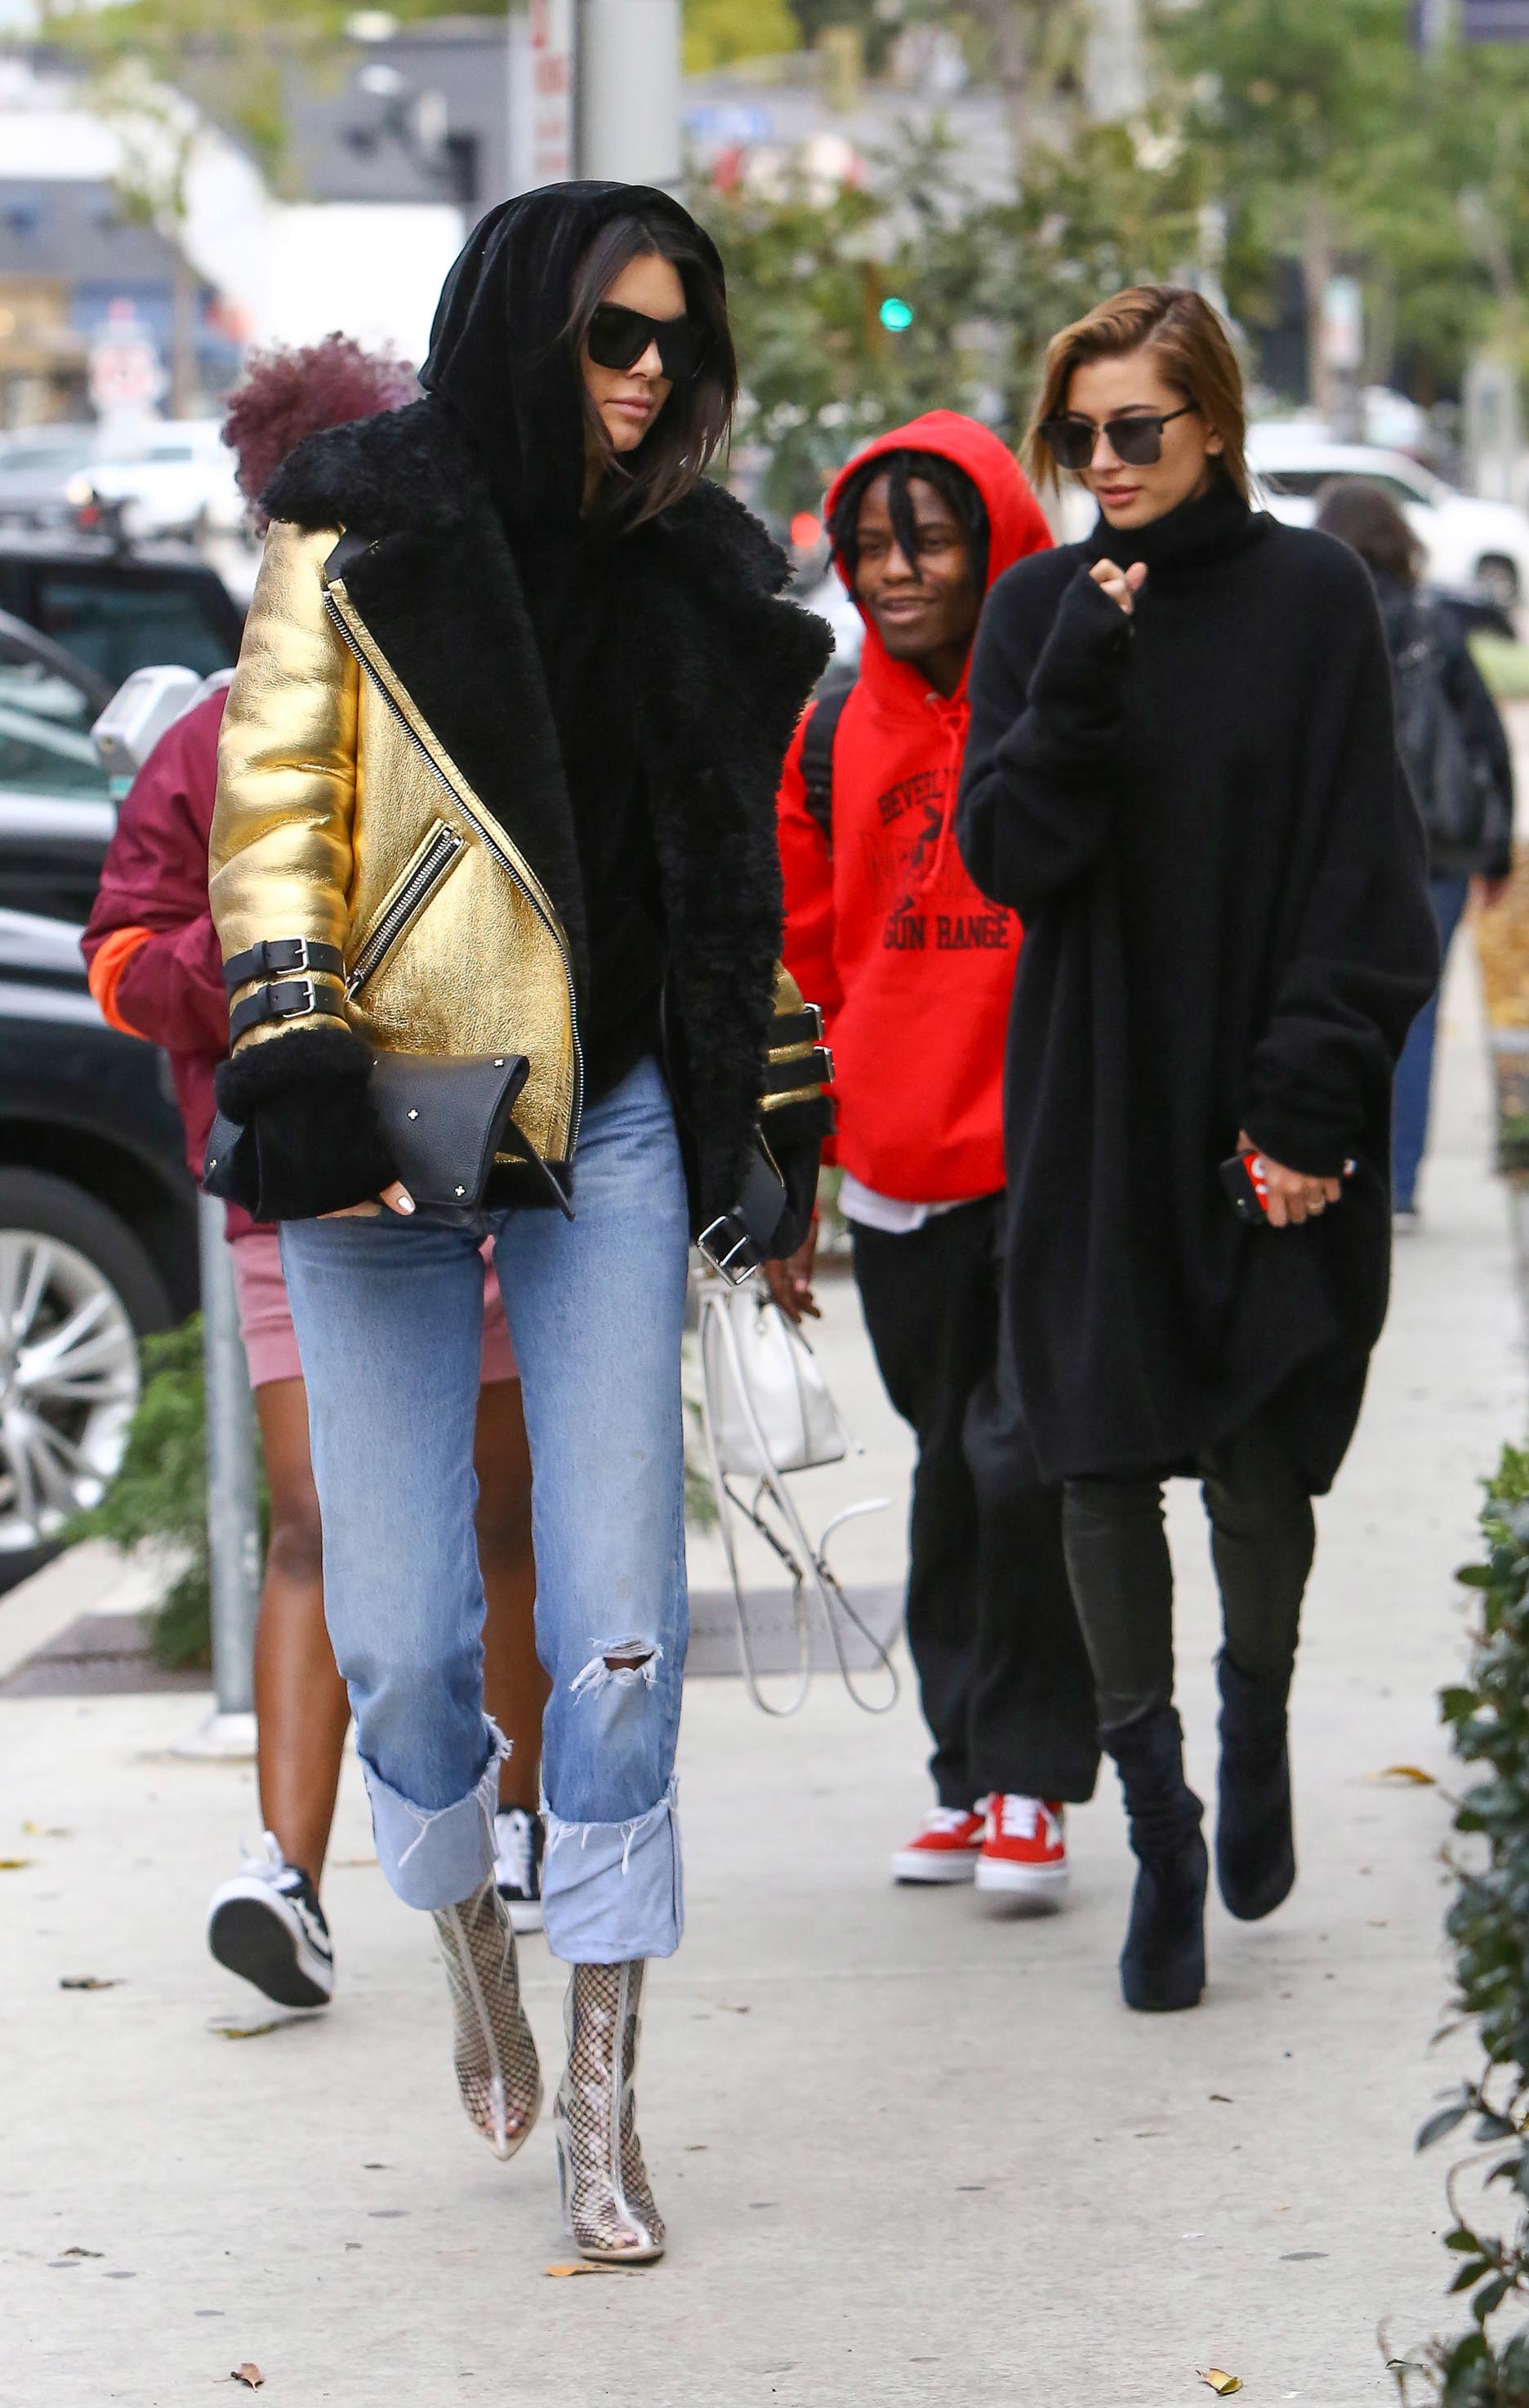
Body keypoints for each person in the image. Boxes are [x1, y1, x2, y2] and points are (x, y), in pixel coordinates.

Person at [206, 184, 830, 2259]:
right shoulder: (355, 521)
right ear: (517, 322)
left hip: (624, 1110)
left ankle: (607, 2103)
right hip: (384, 1112)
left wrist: (772, 1110)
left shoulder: (702, 575)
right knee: (396, 1639)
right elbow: (275, 806)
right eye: (606, 333)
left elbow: (742, 875)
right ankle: (464, 1913)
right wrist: (296, 1070)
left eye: (672, 338)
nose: (645, 372)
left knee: (619, 1620)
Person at [956, 286, 1438, 2015]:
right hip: (1093, 1096)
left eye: (1135, 430)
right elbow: (1011, 853)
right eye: (1076, 435)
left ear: (1212, 422)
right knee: (1093, 1453)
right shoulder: (1037, 611)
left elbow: (1361, 872)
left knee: (1250, 1445)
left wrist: (1310, 1109)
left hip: (1260, 1094)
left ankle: (1254, 1715)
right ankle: (1157, 1825)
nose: (1103, 463)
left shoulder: (1310, 598)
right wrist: (1078, 674)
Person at [82, 336, 551, 2010]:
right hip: (297, 1193)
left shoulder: (483, 702)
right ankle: (286, 1876)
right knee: (313, 1520)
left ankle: (516, 1820)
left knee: (497, 1518)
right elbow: (124, 954)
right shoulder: (211, 740)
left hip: (475, 1166)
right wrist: (268, 972)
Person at [769, 412, 1099, 1903]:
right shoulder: (830, 731)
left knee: (1016, 1458)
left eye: (932, 539)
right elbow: (798, 973)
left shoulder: (1067, 700)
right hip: (899, 1168)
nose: (896, 572)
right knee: (950, 1473)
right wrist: (792, 1172)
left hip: (1049, 1152)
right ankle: (966, 1776)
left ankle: (1037, 1779)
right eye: (872, 546)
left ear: (999, 543)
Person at [1312, 478, 1514, 1226]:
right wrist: (1497, 855)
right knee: (1420, 1015)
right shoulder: (1436, 623)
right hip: (1440, 852)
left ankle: (1341, 1159)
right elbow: (1486, 742)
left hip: (1346, 853)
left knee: (1336, 1004)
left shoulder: (1320, 624)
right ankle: (1397, 1185)